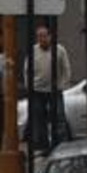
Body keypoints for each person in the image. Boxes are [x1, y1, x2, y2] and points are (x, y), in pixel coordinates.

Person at [26, 24, 71, 155]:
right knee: (39, 119)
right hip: (37, 90)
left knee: (59, 117)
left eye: (44, 36)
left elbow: (66, 68)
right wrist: (30, 86)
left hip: (55, 89)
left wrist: (63, 84)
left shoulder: (59, 50)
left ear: (50, 36)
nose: (42, 39)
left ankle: (61, 145)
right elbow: (27, 70)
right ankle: (44, 146)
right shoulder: (33, 51)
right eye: (39, 36)